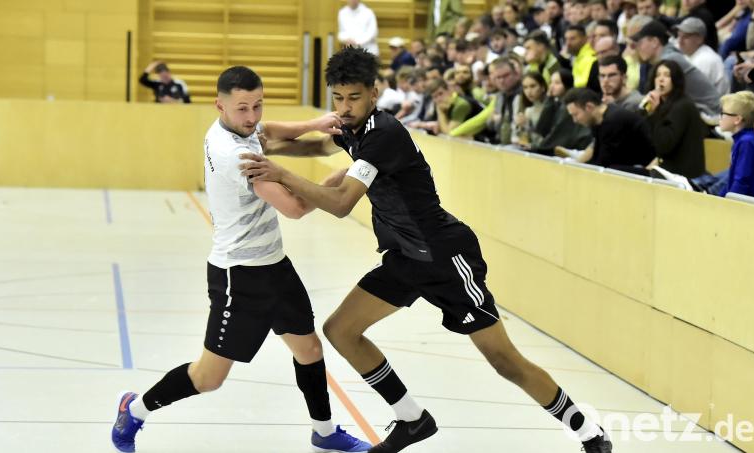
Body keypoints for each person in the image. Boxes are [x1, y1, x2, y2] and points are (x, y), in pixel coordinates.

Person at [238, 46, 614, 453]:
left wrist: (279, 172)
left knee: (504, 361)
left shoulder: (383, 134)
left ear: (375, 93)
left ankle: (588, 431)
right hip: (405, 258)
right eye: (338, 98)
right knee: (341, 331)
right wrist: (260, 143)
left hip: (446, 259)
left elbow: (343, 203)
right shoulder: (351, 127)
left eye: (354, 98)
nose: (344, 108)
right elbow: (316, 146)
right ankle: (412, 419)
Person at [110, 66, 372, 453]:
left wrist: (319, 124)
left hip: (275, 266)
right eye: (242, 109)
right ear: (220, 105)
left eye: (257, 105)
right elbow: (297, 207)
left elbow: (275, 131)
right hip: (240, 278)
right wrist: (347, 175)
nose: (252, 117)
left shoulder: (238, 129)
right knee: (208, 377)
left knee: (309, 349)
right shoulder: (235, 154)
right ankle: (135, 410)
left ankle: (325, 430)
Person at [630, 20, 720, 116]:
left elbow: (654, 99)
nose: (637, 48)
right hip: (697, 111)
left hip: (709, 113)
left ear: (654, 42)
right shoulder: (665, 58)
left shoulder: (669, 61)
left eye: (640, 43)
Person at [562, 87, 656, 172]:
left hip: (646, 165)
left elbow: (603, 164)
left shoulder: (613, 121)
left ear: (589, 107)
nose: (575, 120)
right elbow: (597, 154)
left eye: (576, 114)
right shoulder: (598, 120)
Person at [642, 60, 707, 178]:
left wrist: (655, 113)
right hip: (666, 168)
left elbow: (664, 145)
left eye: (666, 75)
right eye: (658, 75)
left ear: (676, 80)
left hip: (681, 176)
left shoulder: (682, 106)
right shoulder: (664, 105)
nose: (661, 79)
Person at [718, 90, 754, 199]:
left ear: (737, 119)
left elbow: (741, 181)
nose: (720, 118)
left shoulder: (747, 142)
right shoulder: (743, 140)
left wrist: (726, 205)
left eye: (723, 114)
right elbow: (732, 182)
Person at [675, 17, 730, 96]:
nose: (680, 41)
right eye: (679, 36)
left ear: (699, 39)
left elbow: (693, 94)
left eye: (685, 37)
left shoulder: (706, 60)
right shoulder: (689, 54)